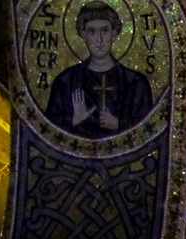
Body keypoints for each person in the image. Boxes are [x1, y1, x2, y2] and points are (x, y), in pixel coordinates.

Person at [46, 2, 154, 138]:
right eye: (92, 31)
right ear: (83, 35)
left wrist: (119, 124)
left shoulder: (135, 83)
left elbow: (148, 130)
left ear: (114, 34)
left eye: (105, 31)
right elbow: (47, 128)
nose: (99, 40)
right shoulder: (65, 82)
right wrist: (74, 120)